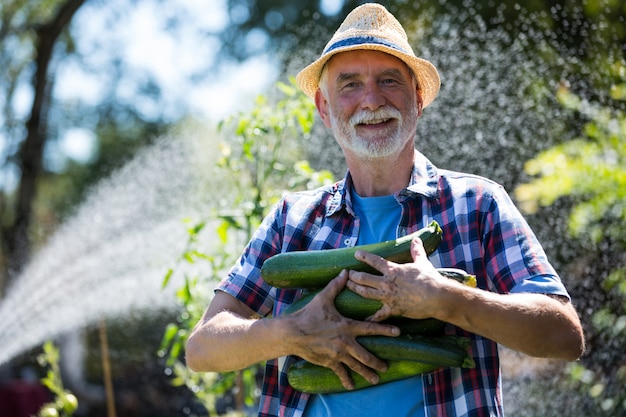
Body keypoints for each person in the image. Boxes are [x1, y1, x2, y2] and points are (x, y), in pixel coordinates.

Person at [185, 3, 585, 416]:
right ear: (325, 108)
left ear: (417, 98)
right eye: (350, 85)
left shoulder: (477, 204)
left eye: (389, 80)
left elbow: (564, 334)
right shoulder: (292, 219)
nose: (371, 99)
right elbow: (202, 349)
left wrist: (448, 300)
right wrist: (290, 333)